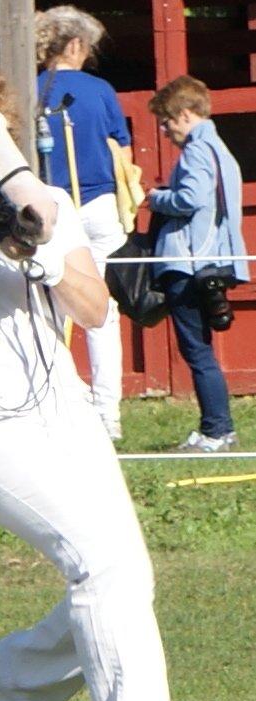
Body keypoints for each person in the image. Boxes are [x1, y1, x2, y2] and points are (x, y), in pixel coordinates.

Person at [0, 184, 198, 701]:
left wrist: (42, 253)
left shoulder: (48, 202)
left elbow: (96, 308)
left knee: (128, 574)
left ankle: (14, 674)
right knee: (101, 568)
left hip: (67, 412)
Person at [35, 5, 132, 441]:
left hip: (50, 205)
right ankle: (106, 413)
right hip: (97, 207)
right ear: (74, 45)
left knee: (50, 306)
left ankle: (55, 403)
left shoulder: (29, 88)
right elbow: (120, 145)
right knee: (102, 311)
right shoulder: (100, 90)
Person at [148, 75, 250, 452]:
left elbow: (191, 198)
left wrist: (157, 198)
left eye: (167, 120)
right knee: (201, 346)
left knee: (196, 349)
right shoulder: (221, 150)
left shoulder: (195, 151)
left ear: (186, 114)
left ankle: (216, 431)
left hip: (189, 262)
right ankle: (219, 428)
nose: (164, 129)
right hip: (212, 261)